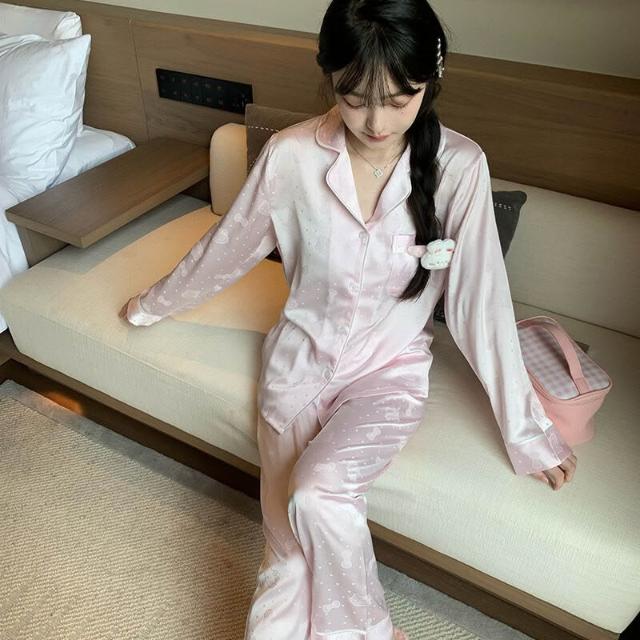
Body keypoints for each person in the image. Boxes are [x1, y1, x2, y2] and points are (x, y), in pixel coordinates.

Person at [119, 1, 577, 637]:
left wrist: (526, 432)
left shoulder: (460, 167)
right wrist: (151, 303)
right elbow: (228, 247)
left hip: (388, 375)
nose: (376, 122)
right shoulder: (290, 156)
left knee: (318, 495)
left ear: (432, 79)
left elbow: (481, 303)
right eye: (355, 98)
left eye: (399, 99)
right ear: (329, 77)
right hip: (298, 368)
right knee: (287, 558)